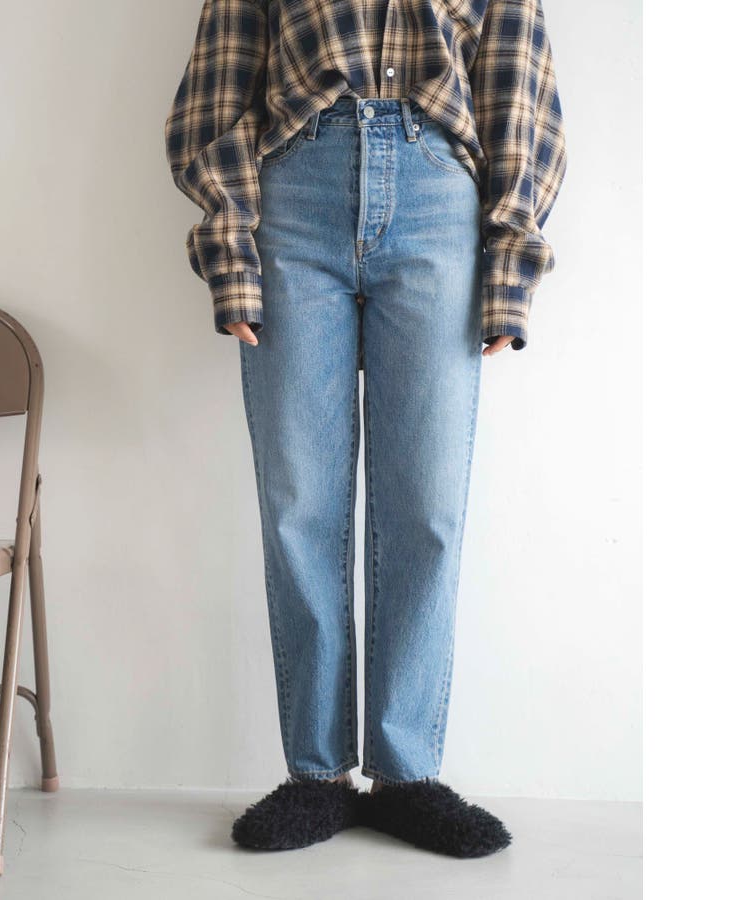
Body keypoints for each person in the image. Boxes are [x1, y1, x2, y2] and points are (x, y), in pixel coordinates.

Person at [165, 0, 566, 857]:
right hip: (294, 191)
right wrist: (230, 252)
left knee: (425, 507)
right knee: (299, 503)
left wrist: (510, 262)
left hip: (437, 194)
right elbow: (218, 86)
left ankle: (407, 775)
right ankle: (316, 776)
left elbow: (518, 90)